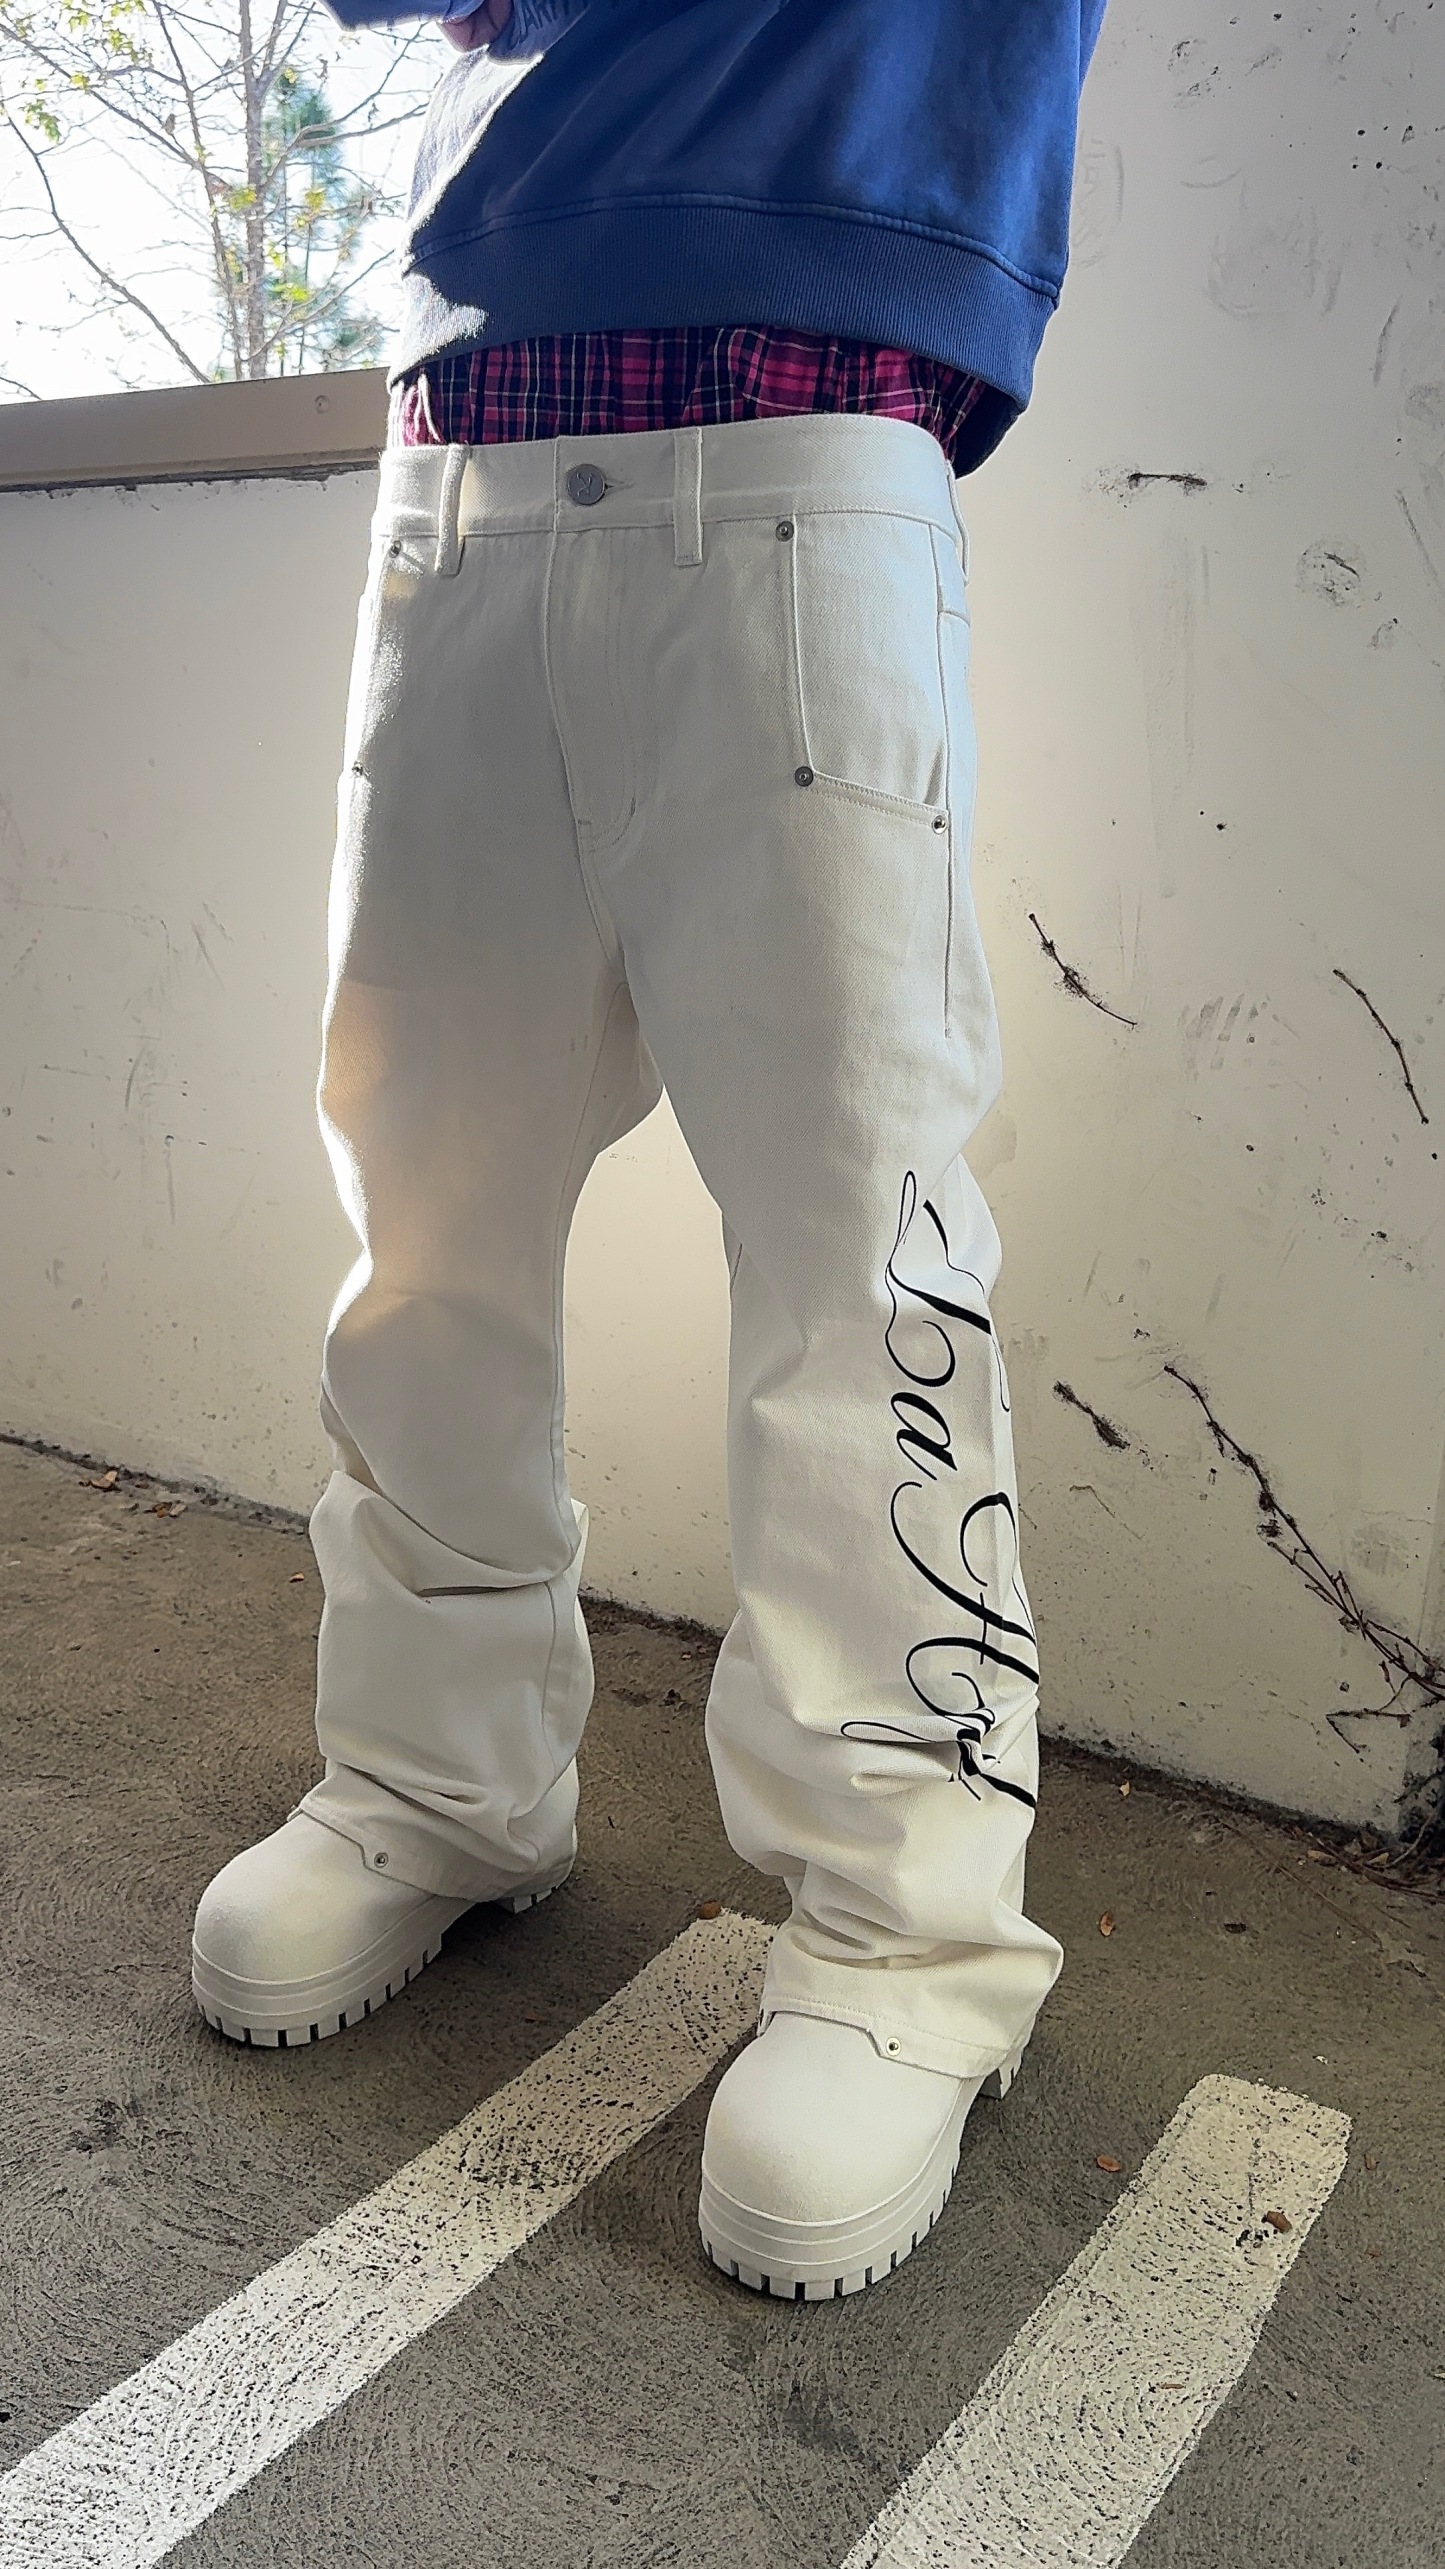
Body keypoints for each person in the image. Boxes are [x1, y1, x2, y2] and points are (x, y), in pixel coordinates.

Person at [192, 0, 1108, 2301]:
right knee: (424, 1222)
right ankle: (438, 1778)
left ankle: (908, 1933)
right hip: (462, 475)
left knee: (854, 1252)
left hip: (803, 446)